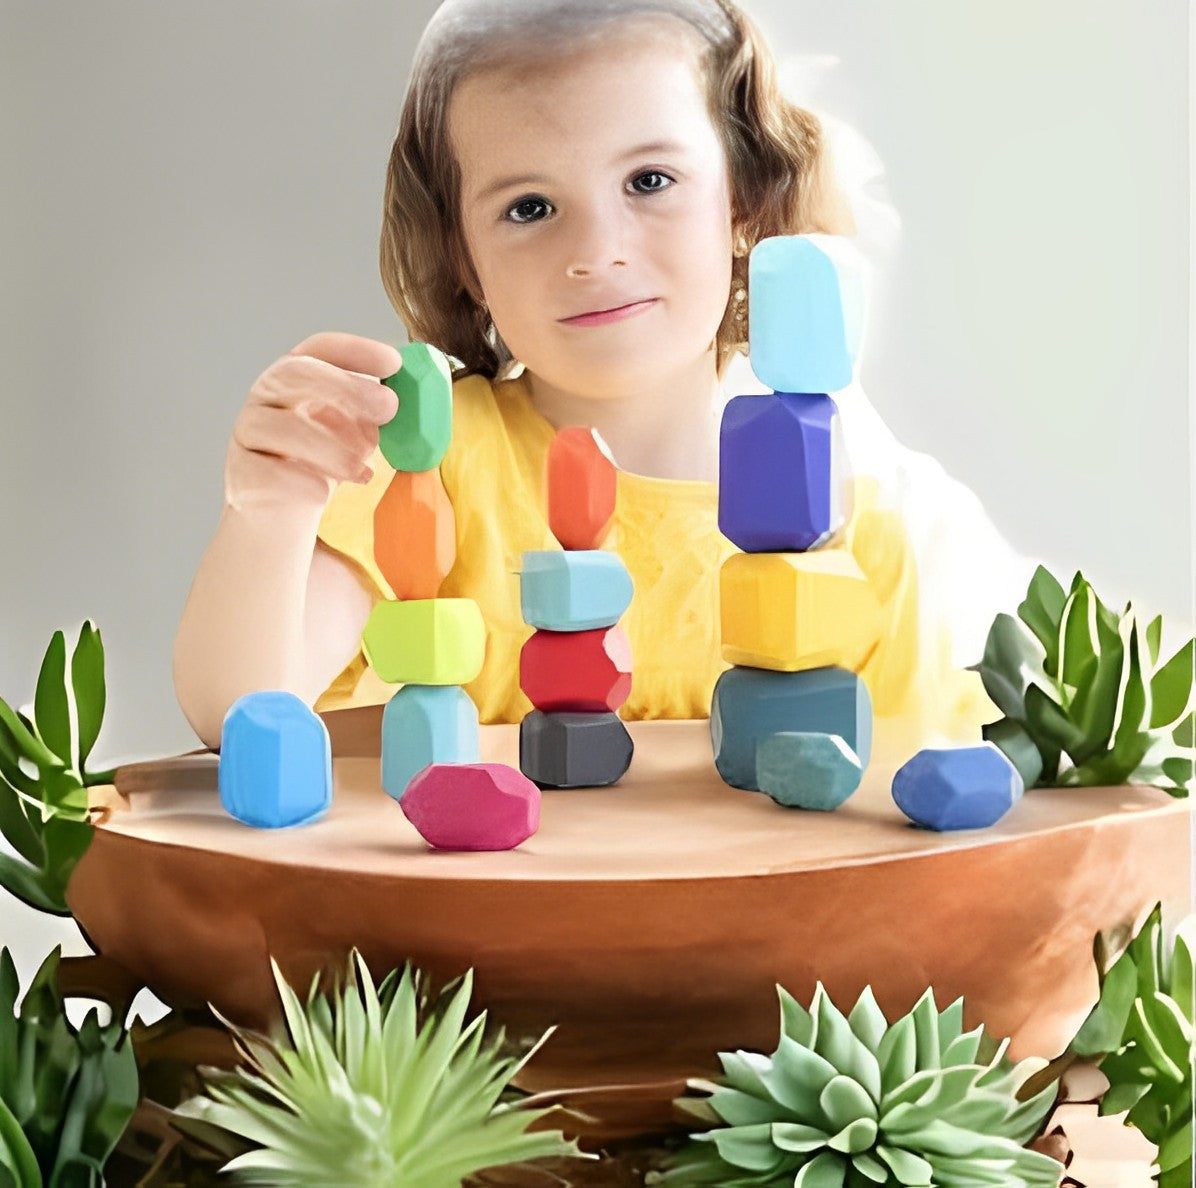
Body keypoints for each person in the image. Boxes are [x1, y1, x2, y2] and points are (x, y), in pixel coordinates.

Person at [173, 0, 1037, 760]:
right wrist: (270, 511)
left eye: (650, 181)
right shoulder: (424, 472)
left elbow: (905, 819)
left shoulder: (856, 536)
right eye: (530, 208)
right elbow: (242, 711)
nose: (597, 251)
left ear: (746, 203)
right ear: (462, 259)